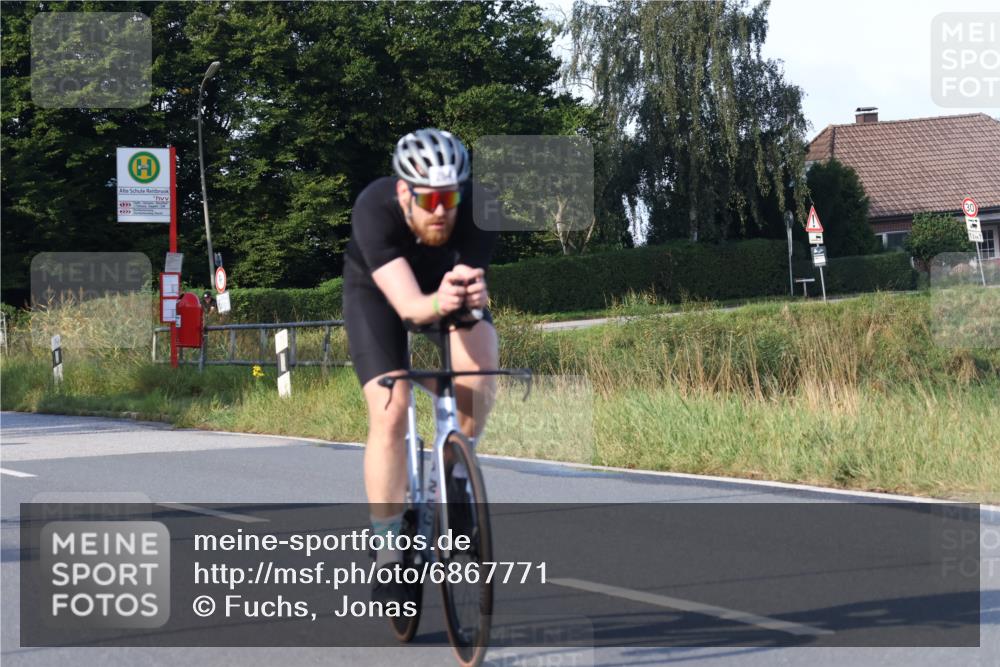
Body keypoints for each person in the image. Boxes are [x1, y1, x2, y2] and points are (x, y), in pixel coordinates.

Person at [342, 129, 499, 602]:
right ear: (405, 192)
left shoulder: (478, 208)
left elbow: (467, 299)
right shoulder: (375, 209)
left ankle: (455, 475)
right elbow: (410, 308)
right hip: (380, 295)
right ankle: (388, 545)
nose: (439, 211)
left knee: (481, 369)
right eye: (428, 199)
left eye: (449, 198)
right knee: (392, 406)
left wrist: (472, 303)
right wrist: (442, 302)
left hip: (446, 289)